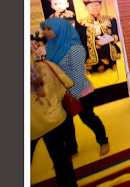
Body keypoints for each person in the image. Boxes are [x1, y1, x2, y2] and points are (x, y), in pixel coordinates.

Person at [41, 17, 110, 157]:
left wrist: (75, 95)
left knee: (88, 118)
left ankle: (103, 141)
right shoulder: (50, 47)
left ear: (60, 29)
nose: (45, 32)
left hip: (81, 91)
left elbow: (79, 73)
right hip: (61, 93)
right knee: (66, 124)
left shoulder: (75, 48)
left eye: (49, 29)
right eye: (44, 29)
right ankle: (72, 149)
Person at [30, 57, 78, 187]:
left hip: (32, 125)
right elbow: (67, 83)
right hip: (53, 120)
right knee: (61, 158)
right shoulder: (45, 66)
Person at [75, 0, 121, 73]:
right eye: (91, 5)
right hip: (91, 61)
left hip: (112, 57)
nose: (94, 7)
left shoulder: (111, 20)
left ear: (101, 6)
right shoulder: (80, 23)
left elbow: (121, 34)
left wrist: (111, 38)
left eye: (97, 5)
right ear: (86, 8)